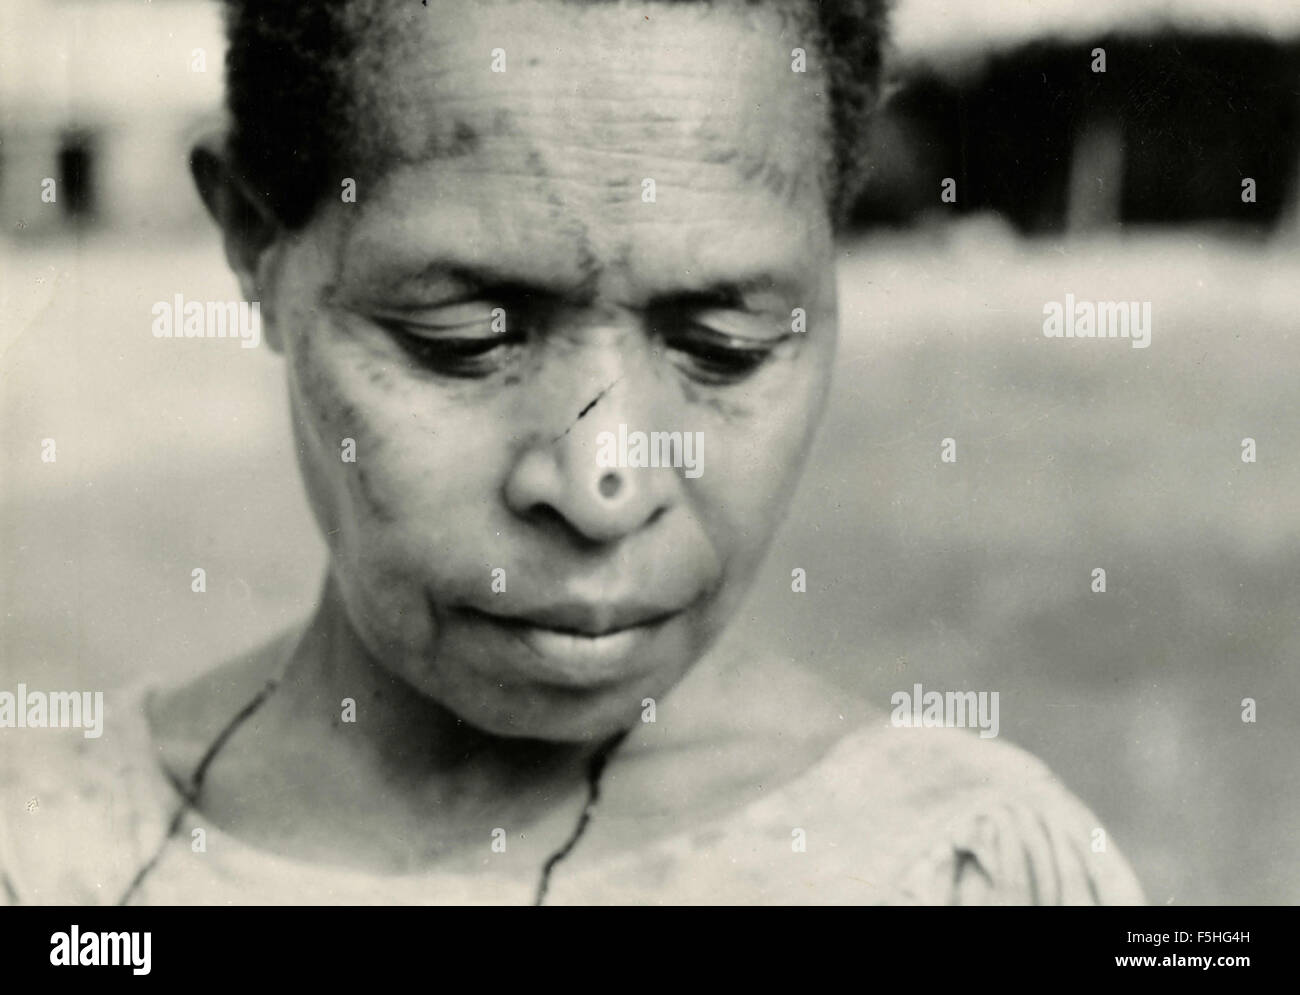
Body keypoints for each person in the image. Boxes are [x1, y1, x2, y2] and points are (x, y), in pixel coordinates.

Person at [0, 0, 1144, 905]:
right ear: (256, 242)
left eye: (723, 345)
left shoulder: (969, 870)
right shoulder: (53, 867)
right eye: (466, 339)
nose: (604, 483)